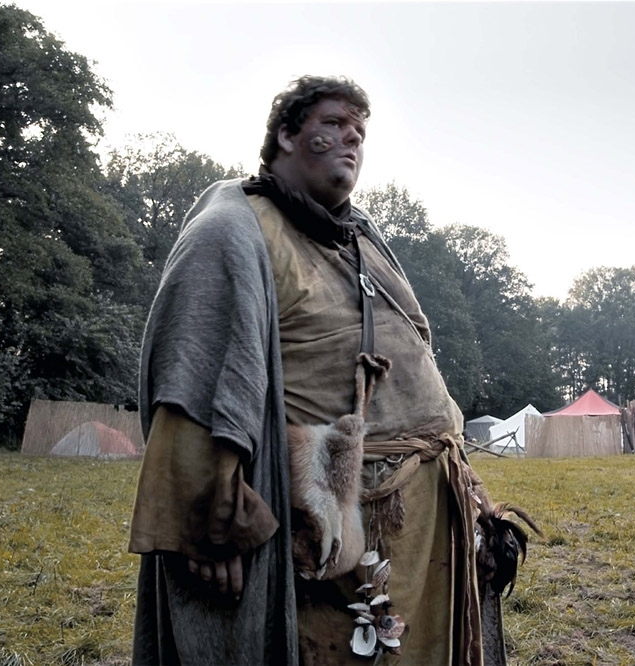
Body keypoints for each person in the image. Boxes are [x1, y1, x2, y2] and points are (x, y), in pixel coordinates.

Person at [128, 75, 513, 665]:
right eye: (333, 124)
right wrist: (210, 525)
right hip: (332, 521)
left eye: (359, 131)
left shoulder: (361, 237)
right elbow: (194, 374)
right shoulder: (235, 226)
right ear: (286, 134)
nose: (352, 139)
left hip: (428, 512)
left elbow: (417, 353)